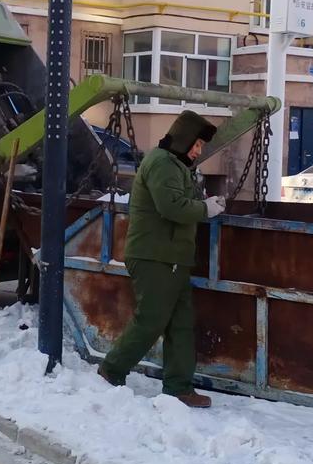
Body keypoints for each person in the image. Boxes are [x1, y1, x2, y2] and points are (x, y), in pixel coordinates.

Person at [96, 110, 226, 408]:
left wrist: (205, 200)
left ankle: (179, 387)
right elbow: (172, 207)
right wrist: (205, 208)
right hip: (154, 255)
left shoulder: (176, 165)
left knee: (181, 322)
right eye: (195, 145)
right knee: (151, 319)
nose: (197, 151)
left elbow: (185, 201)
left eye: (201, 148)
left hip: (172, 257)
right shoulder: (162, 164)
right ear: (182, 140)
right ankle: (111, 371)